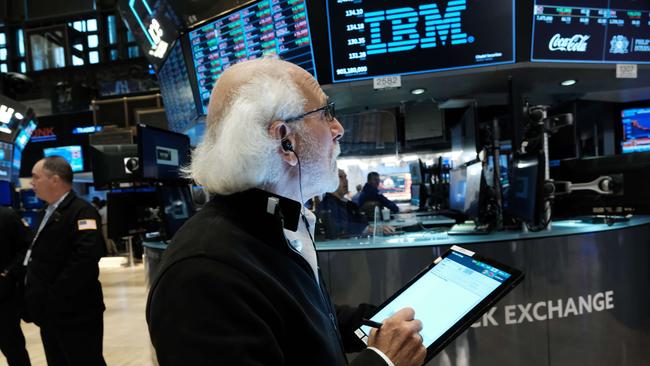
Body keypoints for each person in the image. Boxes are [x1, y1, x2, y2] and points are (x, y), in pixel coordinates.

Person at [147, 58, 426, 366]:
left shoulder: (277, 224)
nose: (338, 129)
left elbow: (305, 324)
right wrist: (382, 361)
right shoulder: (202, 274)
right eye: (325, 114)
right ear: (284, 140)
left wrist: (384, 324)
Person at [25, 157, 107, 366]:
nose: (31, 183)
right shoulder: (46, 211)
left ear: (55, 179)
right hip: (52, 313)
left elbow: (85, 260)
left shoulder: (82, 211)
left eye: (36, 177)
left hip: (75, 312)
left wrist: (52, 296)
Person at [317, 169, 393, 239]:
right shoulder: (327, 205)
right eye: (340, 177)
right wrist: (370, 229)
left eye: (345, 177)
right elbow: (340, 227)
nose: (345, 181)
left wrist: (373, 228)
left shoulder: (349, 204)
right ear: (329, 181)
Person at [0, 206, 32, 366]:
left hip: (4, 297)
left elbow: (27, 248)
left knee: (13, 348)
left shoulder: (6, 216)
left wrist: (9, 272)